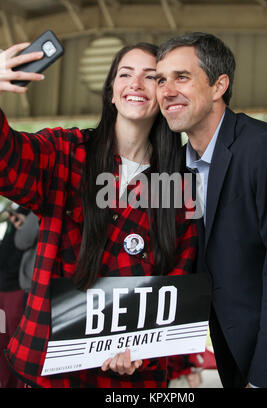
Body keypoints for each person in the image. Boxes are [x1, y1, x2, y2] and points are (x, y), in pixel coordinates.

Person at [0, 42, 198, 388]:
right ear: (111, 92)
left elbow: (179, 278)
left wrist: (143, 348)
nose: (135, 84)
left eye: (150, 77)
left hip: (129, 378)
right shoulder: (64, 153)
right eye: (125, 74)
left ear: (164, 95)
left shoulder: (179, 184)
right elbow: (6, 162)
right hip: (49, 372)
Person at [155, 32, 267, 388]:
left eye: (181, 77)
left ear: (219, 85)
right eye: (161, 79)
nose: (166, 90)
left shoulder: (265, 149)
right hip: (232, 357)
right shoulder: (176, 169)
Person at [0, 206, 28, 388]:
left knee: (15, 341)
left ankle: (18, 383)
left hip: (16, 291)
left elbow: (23, 241)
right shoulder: (13, 211)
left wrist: (22, 224)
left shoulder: (31, 210)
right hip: (2, 291)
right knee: (2, 338)